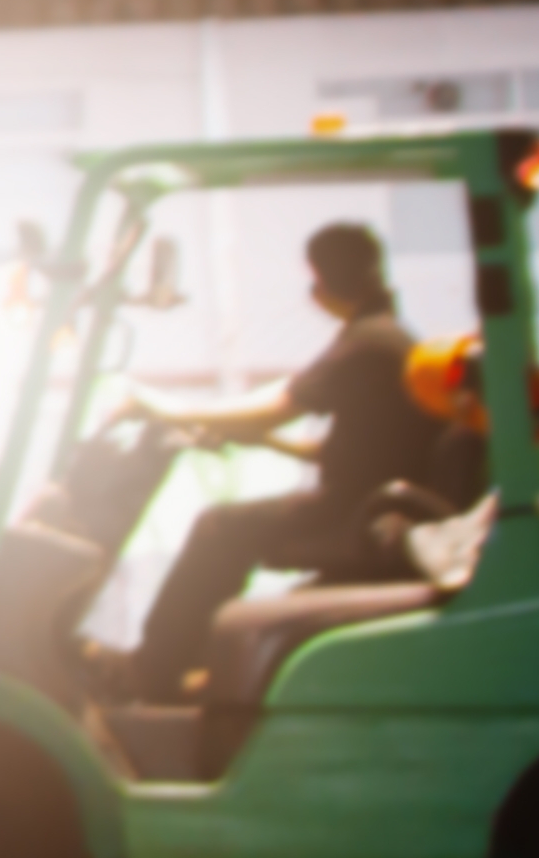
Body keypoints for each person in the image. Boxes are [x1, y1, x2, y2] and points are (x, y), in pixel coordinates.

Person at [120, 222, 445, 694]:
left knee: (219, 527)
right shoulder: (384, 336)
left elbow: (273, 410)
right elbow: (342, 446)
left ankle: (150, 672)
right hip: (368, 501)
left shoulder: (367, 343)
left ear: (321, 282)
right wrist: (266, 444)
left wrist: (156, 404)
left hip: (357, 510)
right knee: (233, 524)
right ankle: (182, 670)